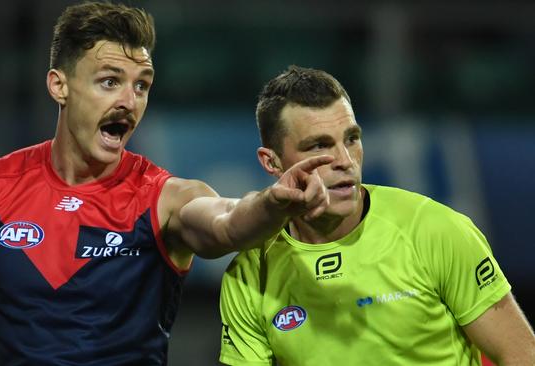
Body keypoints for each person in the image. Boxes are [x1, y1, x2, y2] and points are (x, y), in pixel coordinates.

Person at [0, 3, 336, 366]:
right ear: (60, 86)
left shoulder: (164, 198)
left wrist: (273, 203)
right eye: (110, 81)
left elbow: (227, 222)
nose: (129, 102)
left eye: (142, 85)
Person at [218, 66, 535, 365]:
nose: (344, 160)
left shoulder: (435, 230)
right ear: (272, 162)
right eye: (318, 146)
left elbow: (522, 355)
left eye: (351, 139)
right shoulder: (250, 273)